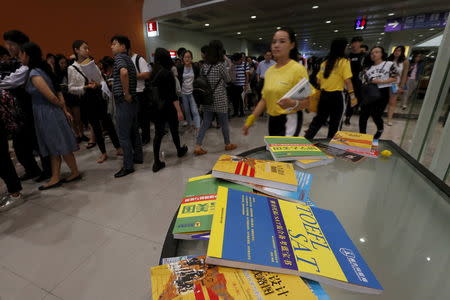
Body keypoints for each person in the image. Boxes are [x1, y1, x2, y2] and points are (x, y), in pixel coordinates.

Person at [20, 42, 81, 190]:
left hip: (46, 112)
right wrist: (63, 109)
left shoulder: (34, 73)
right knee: (57, 144)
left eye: (21, 54)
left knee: (57, 144)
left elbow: (51, 96)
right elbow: (57, 91)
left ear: (27, 55)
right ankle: (61, 175)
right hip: (52, 111)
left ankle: (66, 174)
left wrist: (61, 107)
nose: (19, 57)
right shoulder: (44, 69)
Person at [1, 30, 51, 182]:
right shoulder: (14, 62)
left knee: (37, 141)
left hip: (31, 107)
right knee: (20, 144)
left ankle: (47, 171)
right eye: (7, 44)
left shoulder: (27, 63)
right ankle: (33, 169)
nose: (8, 47)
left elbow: (11, 81)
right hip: (19, 110)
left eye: (11, 44)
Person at [242, 27, 310, 137]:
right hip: (272, 120)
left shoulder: (298, 70)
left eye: (282, 41)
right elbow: (264, 99)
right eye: (274, 42)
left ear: (292, 45)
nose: (276, 45)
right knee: (274, 152)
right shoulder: (269, 71)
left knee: (284, 153)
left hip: (289, 120)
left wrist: (293, 103)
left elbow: (307, 102)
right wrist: (251, 119)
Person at [69, 40, 122, 163]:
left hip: (98, 96)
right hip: (86, 99)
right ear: (76, 50)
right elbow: (71, 88)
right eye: (84, 48)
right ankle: (103, 152)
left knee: (108, 123)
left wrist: (98, 84)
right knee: (96, 127)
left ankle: (118, 148)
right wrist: (85, 87)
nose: (87, 51)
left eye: (88, 48)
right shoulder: (72, 68)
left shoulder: (92, 64)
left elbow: (102, 81)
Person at [304, 38, 356, 139]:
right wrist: (353, 96)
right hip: (337, 97)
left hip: (324, 96)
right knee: (335, 124)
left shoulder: (325, 63)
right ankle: (330, 148)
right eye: (346, 47)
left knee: (318, 120)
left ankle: (306, 140)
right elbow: (348, 81)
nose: (347, 49)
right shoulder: (344, 62)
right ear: (341, 48)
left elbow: (318, 80)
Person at [194, 40, 237, 155]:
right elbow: (228, 80)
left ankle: (198, 146)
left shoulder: (204, 66)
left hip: (207, 99)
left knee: (205, 123)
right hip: (219, 99)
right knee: (224, 123)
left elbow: (202, 80)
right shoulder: (220, 66)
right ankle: (227, 144)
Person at [110, 35, 143, 178]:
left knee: (123, 135)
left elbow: (123, 73)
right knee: (134, 131)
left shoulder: (119, 58)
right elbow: (131, 75)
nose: (112, 46)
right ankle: (138, 157)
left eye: (114, 44)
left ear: (123, 46)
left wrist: (125, 92)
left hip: (124, 101)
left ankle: (128, 166)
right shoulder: (129, 58)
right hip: (133, 101)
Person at [151, 48, 188, 172]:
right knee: (174, 129)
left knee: (158, 134)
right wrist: (179, 110)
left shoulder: (153, 71)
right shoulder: (167, 73)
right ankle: (179, 150)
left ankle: (156, 161)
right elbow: (173, 95)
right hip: (168, 107)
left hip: (156, 107)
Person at [359, 46, 399, 139]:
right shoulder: (368, 67)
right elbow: (364, 79)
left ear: (382, 54)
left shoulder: (389, 64)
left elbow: (394, 77)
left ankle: (380, 129)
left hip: (383, 91)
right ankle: (362, 135)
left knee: (376, 114)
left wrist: (380, 81)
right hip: (370, 91)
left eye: (377, 52)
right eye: (372, 53)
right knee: (363, 114)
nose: (374, 54)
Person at [344, 36, 367, 126]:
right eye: (353, 43)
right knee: (348, 99)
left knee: (356, 99)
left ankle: (350, 115)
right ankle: (346, 116)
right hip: (347, 80)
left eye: (357, 43)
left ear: (360, 44)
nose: (355, 45)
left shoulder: (364, 56)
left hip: (358, 81)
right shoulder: (347, 56)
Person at [130, 50, 151, 144]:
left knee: (143, 117)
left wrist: (130, 76)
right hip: (131, 93)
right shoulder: (124, 60)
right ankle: (139, 137)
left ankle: (146, 137)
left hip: (141, 92)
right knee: (135, 117)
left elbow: (146, 74)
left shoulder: (139, 59)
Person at [177, 50, 201, 131]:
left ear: (191, 58)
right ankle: (190, 124)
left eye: (189, 57)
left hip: (193, 92)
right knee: (187, 111)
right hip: (183, 92)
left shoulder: (195, 67)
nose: (187, 59)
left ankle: (197, 126)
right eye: (185, 57)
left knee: (194, 110)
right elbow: (178, 80)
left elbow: (198, 78)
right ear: (183, 58)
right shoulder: (180, 68)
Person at [387, 46, 409, 125]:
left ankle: (389, 119)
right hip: (384, 82)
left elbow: (404, 75)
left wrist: (401, 86)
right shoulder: (388, 59)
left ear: (402, 52)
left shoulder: (405, 61)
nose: (397, 52)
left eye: (399, 51)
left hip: (395, 84)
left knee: (392, 102)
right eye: (396, 50)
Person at [230, 52, 250, 117]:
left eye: (236, 61)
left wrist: (246, 85)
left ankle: (241, 112)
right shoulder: (233, 64)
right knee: (234, 99)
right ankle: (235, 112)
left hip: (242, 85)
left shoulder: (245, 64)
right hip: (234, 85)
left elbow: (247, 75)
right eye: (234, 61)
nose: (235, 62)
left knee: (241, 100)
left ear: (240, 59)